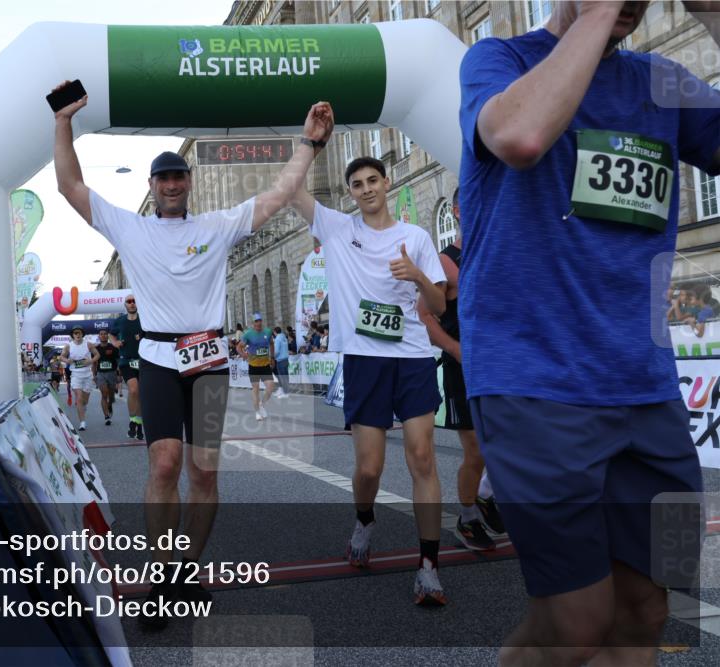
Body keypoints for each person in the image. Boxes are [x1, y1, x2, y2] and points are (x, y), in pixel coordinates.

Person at [459, 1, 719, 663]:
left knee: (646, 608)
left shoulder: (660, 81)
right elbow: (520, 137)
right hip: (535, 382)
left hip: (645, 387)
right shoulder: (498, 61)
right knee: (575, 620)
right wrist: (598, 14)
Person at [52, 80, 333, 630]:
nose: (172, 184)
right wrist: (63, 123)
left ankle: (186, 571)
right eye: (164, 178)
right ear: (154, 187)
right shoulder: (129, 227)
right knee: (164, 462)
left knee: (204, 472)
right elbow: (70, 185)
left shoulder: (216, 225)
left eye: (179, 176)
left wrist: (310, 144)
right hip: (157, 358)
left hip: (207, 361)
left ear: (188, 183)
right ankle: (160, 578)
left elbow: (277, 195)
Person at [291, 155, 448, 606]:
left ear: (387, 182)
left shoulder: (415, 237)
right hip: (364, 360)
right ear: (350, 193)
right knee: (369, 468)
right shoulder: (339, 230)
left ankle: (429, 568)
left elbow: (438, 306)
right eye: (357, 184)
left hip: (413, 358)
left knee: (422, 457)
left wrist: (417, 275)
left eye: (372, 180)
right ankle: (364, 519)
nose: (366, 189)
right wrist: (311, 145)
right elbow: (293, 191)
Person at [417, 186, 504, 553]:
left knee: (512, 441)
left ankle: (486, 494)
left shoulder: (495, 252)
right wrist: (455, 349)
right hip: (463, 367)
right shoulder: (445, 260)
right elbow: (424, 315)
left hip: (501, 363)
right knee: (476, 450)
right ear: (456, 211)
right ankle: (467, 517)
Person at [111, 295, 145, 440]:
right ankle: (133, 419)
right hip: (126, 360)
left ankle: (138, 423)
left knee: (141, 394)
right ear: (125, 305)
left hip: (144, 360)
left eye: (134, 301)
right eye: (129, 302)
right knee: (133, 389)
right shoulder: (119, 321)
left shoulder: (145, 319)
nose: (132, 304)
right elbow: (112, 336)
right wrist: (116, 343)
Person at [238, 313, 278, 420]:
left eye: (260, 320)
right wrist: (244, 355)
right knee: (255, 389)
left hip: (265, 365)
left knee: (270, 388)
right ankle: (257, 412)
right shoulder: (248, 334)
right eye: (256, 321)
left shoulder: (268, 332)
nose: (259, 323)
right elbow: (239, 347)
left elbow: (271, 344)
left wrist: (272, 357)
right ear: (253, 323)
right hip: (253, 366)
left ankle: (262, 404)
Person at [60, 326, 99, 431]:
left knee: (85, 400)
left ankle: (83, 406)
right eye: (75, 333)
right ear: (72, 335)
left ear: (82, 334)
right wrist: (67, 360)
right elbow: (62, 357)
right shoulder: (68, 346)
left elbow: (97, 355)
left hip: (87, 375)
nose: (77, 335)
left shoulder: (88, 344)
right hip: (75, 375)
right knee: (79, 398)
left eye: (79, 333)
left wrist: (90, 361)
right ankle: (82, 422)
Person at [94, 329, 120, 425]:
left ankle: (110, 405)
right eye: (101, 334)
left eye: (105, 334)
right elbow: (94, 363)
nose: (103, 335)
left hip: (112, 373)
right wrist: (94, 375)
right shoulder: (95, 349)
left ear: (108, 336)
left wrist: (118, 375)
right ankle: (106, 417)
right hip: (101, 374)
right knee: (104, 394)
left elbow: (118, 361)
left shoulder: (113, 347)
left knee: (111, 396)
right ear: (99, 336)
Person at [272, 326, 291, 397]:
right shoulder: (284, 337)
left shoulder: (277, 338)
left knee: (282, 377)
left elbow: (276, 351)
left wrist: (272, 357)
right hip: (286, 359)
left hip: (280, 360)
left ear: (275, 332)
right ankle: (285, 391)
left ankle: (285, 393)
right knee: (286, 376)